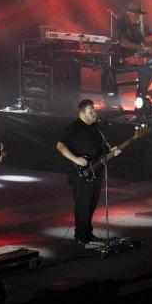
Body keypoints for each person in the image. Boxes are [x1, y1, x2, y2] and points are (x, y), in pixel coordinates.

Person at [56, 99, 120, 246]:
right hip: (81, 174)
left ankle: (88, 233)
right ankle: (80, 236)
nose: (94, 113)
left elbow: (103, 146)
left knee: (91, 205)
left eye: (94, 110)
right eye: (91, 111)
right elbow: (60, 146)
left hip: (96, 172)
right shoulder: (74, 127)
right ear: (82, 113)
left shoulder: (97, 127)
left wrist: (111, 152)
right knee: (83, 206)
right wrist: (76, 159)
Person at [102, 2, 152, 110]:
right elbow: (123, 43)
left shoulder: (142, 24)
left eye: (140, 15)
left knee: (148, 68)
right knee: (107, 70)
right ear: (129, 13)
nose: (138, 17)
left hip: (134, 59)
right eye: (136, 14)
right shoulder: (121, 22)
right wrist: (142, 48)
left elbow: (151, 39)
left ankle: (140, 101)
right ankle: (112, 104)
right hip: (118, 59)